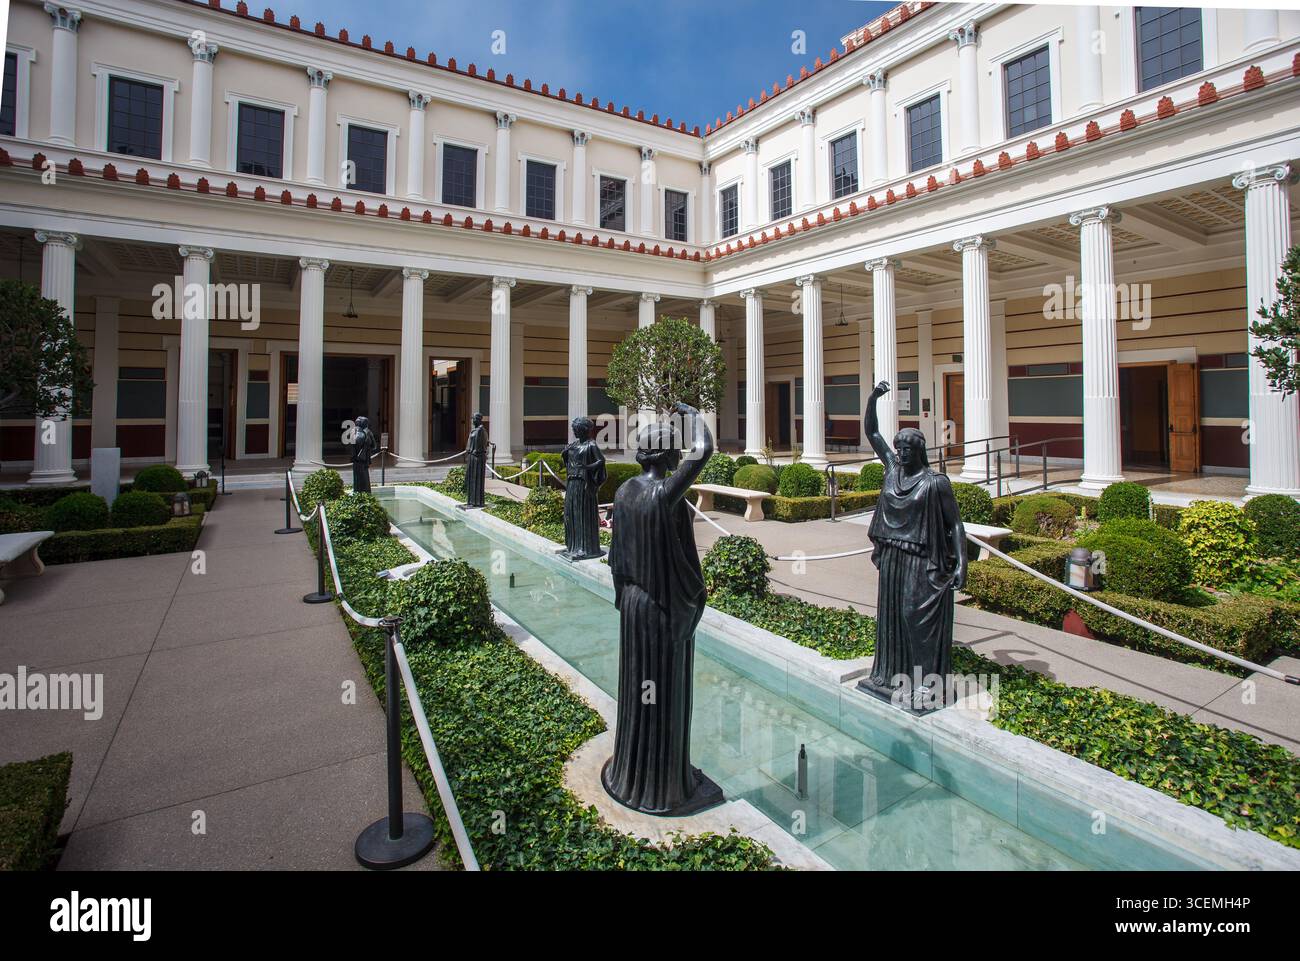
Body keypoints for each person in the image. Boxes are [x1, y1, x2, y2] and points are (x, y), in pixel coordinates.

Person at [602, 402, 723, 816]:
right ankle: (665, 787)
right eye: (674, 451)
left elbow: (616, 559)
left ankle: (630, 775)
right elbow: (705, 449)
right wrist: (690, 414)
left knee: (639, 691)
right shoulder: (663, 494)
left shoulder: (623, 492)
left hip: (634, 606)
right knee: (662, 691)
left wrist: (626, 597)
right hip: (661, 610)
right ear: (667, 456)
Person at [860, 381, 966, 711]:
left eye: (908, 449)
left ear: (918, 451)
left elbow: (955, 524)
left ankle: (928, 685)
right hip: (893, 557)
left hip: (921, 561)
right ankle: (891, 676)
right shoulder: (892, 470)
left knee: (914, 617)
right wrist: (873, 398)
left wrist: (962, 563)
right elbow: (872, 432)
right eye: (899, 448)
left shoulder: (935, 483)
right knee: (892, 617)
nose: (902, 453)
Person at [560, 416, 607, 560]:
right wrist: (565, 454)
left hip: (584, 485)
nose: (574, 432)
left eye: (576, 429)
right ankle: (573, 545)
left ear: (583, 430)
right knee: (571, 514)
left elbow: (601, 461)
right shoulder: (573, 444)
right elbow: (568, 461)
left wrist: (586, 468)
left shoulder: (591, 445)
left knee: (581, 514)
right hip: (572, 484)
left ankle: (585, 548)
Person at [464, 411, 488, 508]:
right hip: (473, 458)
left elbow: (480, 446)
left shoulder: (480, 431)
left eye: (473, 419)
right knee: (472, 479)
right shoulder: (476, 430)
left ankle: (477, 502)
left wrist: (473, 452)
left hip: (477, 458)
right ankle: (471, 501)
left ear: (477, 419)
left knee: (476, 479)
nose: (472, 421)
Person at [351, 415, 377, 493]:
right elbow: (374, 446)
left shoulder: (353, 434)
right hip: (362, 461)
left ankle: (358, 494)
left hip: (356, 461)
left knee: (357, 480)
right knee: (364, 480)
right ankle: (364, 495)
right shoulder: (364, 434)